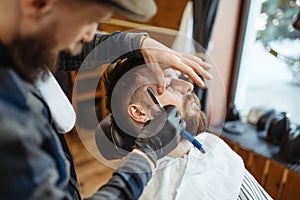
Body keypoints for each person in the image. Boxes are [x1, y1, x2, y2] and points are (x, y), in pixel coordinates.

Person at [0, 0, 213, 199]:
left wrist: (140, 44)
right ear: (37, 3)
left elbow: (59, 48)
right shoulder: (8, 119)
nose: (90, 35)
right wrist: (146, 155)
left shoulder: (19, 44)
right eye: (90, 21)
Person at [96, 57, 273, 200]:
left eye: (179, 79)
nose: (188, 86)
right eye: (168, 84)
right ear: (140, 112)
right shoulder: (144, 190)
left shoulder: (211, 144)